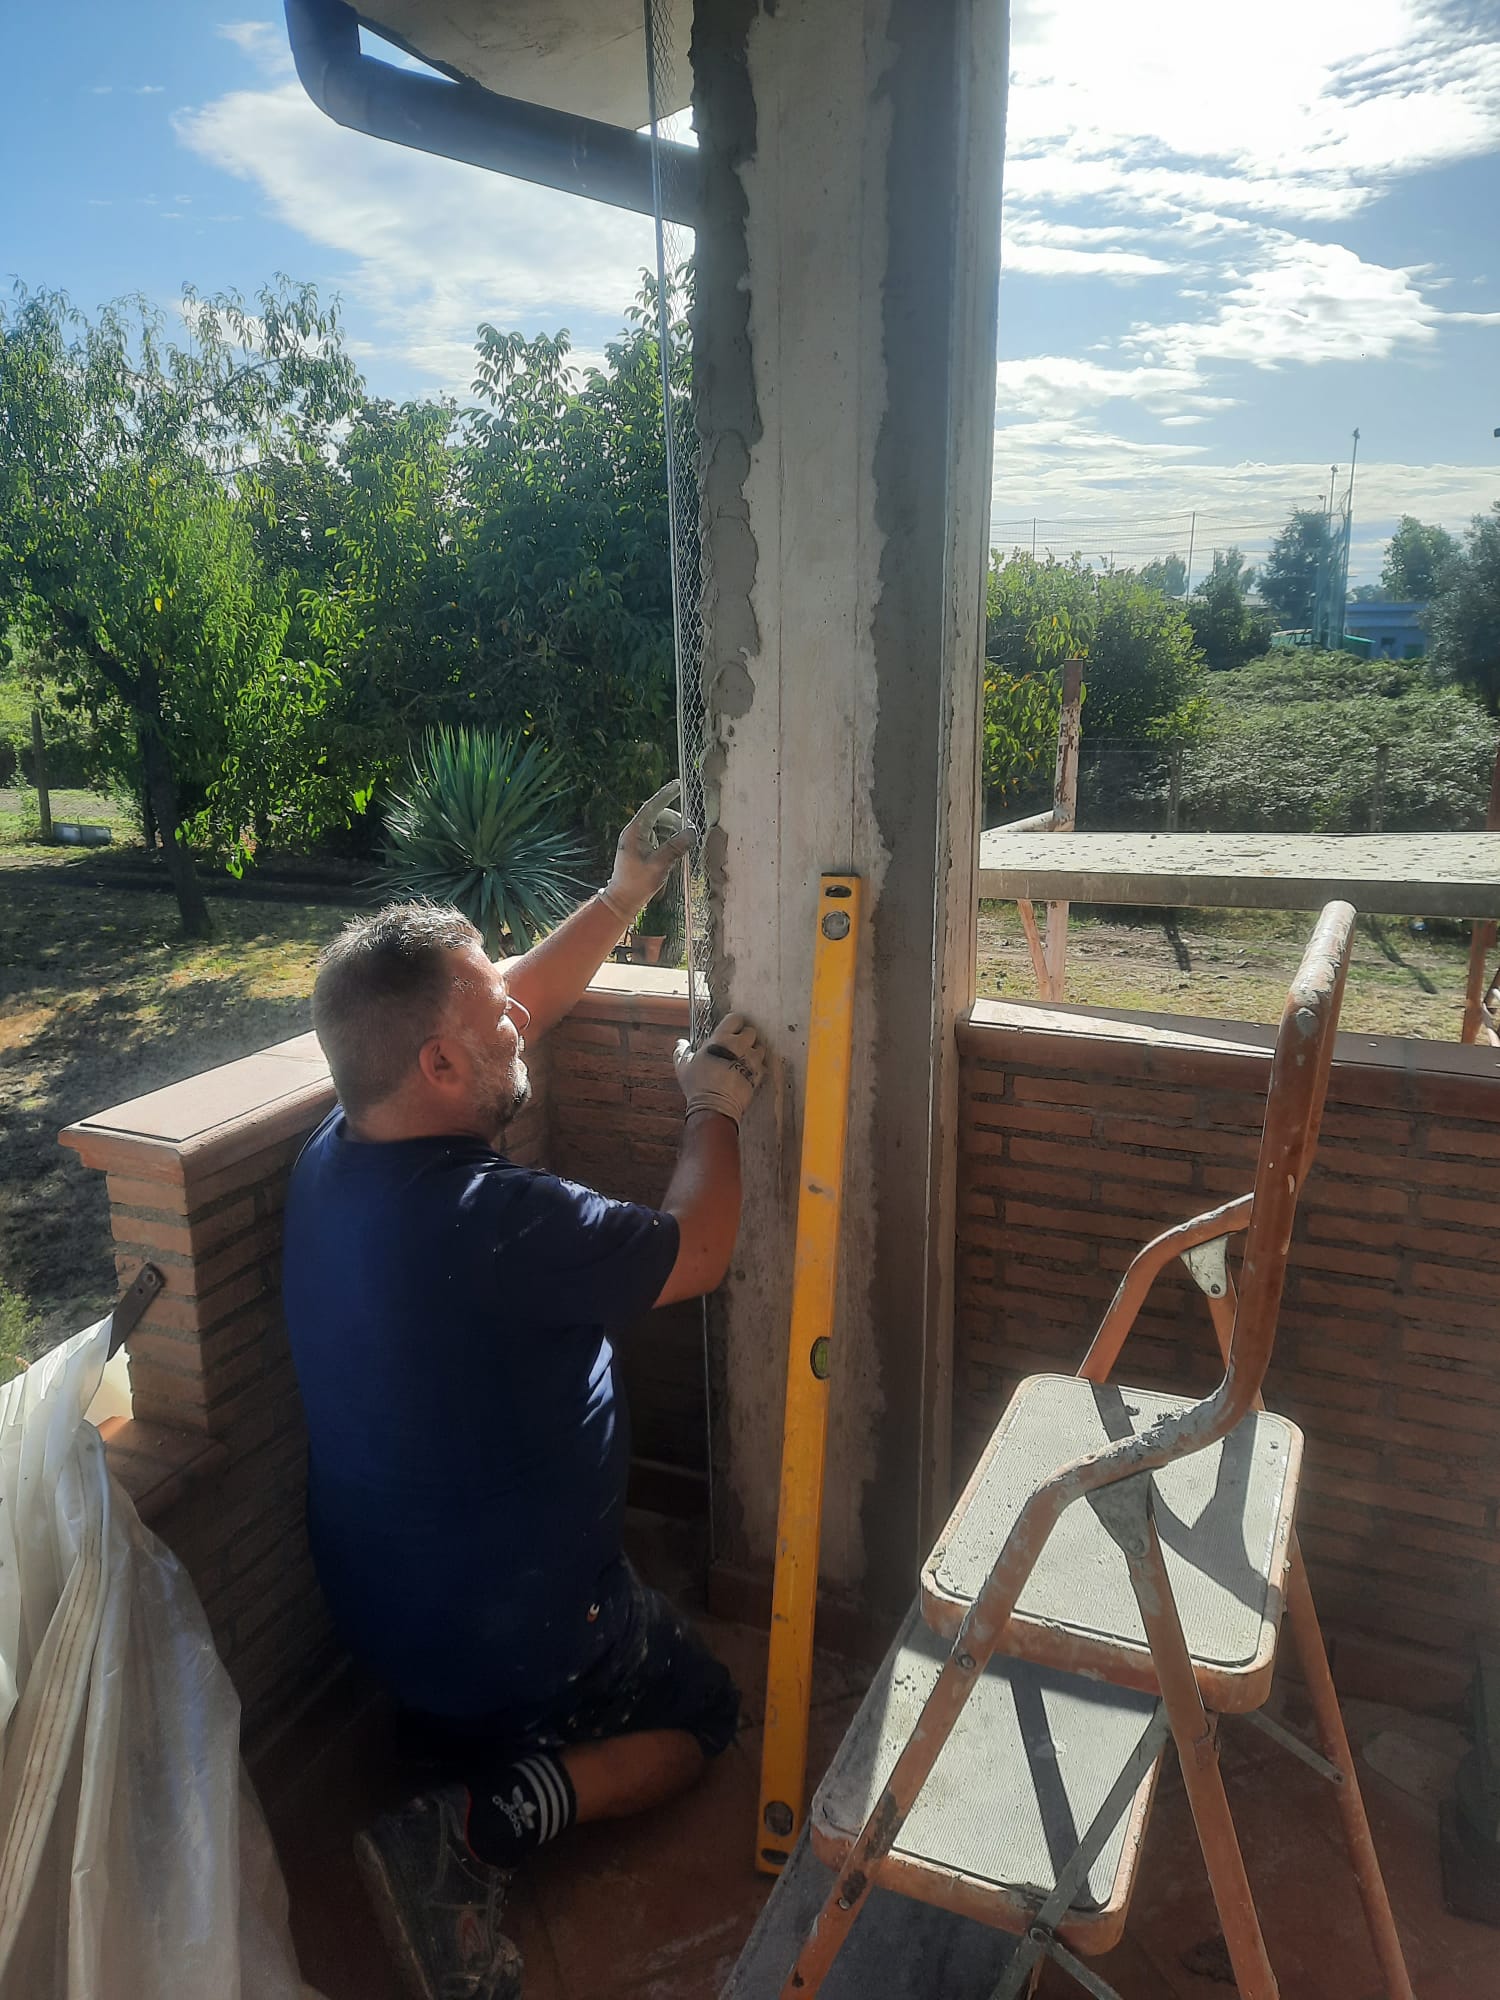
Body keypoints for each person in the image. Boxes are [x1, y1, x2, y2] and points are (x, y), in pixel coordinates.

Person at [281, 784, 767, 2000]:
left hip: (384, 1619)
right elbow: (701, 1247)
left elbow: (510, 1005)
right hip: (522, 1634)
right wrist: (713, 1106)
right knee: (705, 1716)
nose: (520, 1008)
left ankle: (460, 1740)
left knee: (505, 1669)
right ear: (441, 1062)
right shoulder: (501, 1220)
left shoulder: (338, 1152)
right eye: (491, 1005)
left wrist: (622, 894)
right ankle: (481, 1820)